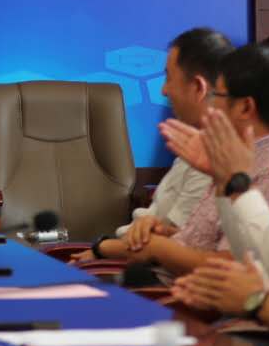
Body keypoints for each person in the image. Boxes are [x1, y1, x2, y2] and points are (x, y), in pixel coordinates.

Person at [92, 43, 269, 276]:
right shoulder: (236, 156)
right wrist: (165, 234)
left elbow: (238, 264)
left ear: (245, 107)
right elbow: (218, 244)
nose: (210, 104)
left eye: (217, 95)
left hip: (179, 292)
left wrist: (159, 249)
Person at [68, 26, 230, 266]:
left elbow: (176, 245)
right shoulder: (193, 145)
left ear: (198, 87)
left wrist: (102, 249)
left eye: (169, 78)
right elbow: (166, 232)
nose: (164, 90)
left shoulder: (213, 158)